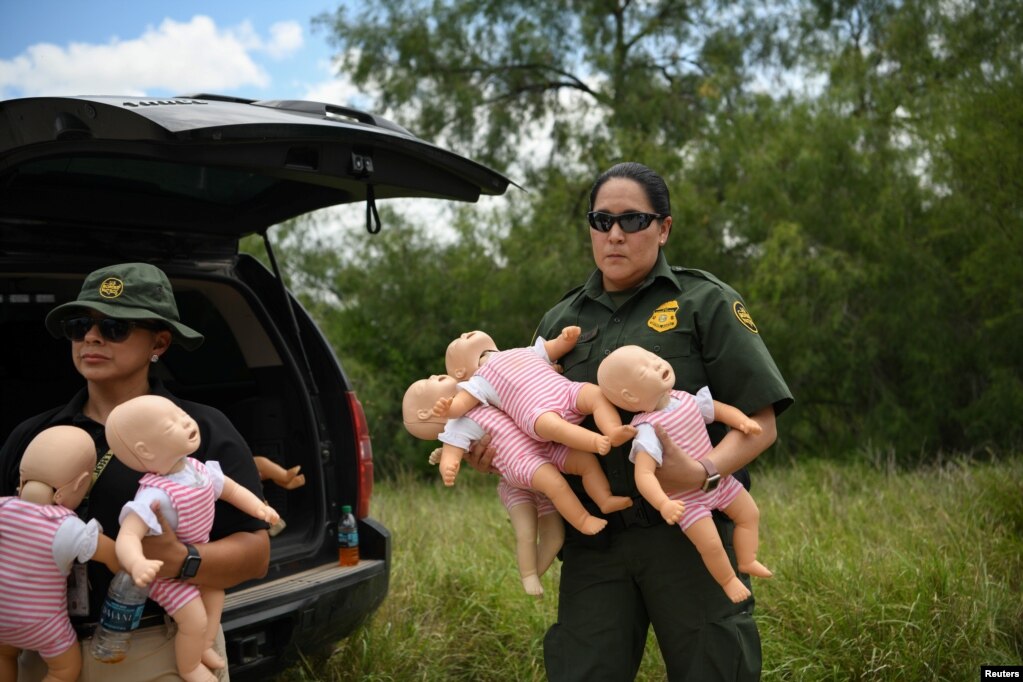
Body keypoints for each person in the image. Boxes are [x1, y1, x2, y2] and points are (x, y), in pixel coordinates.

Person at [480, 161, 793, 681]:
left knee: (717, 670)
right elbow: (524, 423)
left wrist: (703, 473)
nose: (615, 234)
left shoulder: (704, 302)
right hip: (596, 546)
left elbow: (762, 419)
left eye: (633, 221)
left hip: (691, 540)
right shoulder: (561, 322)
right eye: (601, 221)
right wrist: (489, 453)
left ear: (665, 227)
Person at [0, 262, 270, 682]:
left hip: (158, 648)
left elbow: (256, 555)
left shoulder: (199, 429)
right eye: (78, 324)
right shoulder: (33, 434)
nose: (91, 336)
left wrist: (182, 560)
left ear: (159, 342)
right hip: (44, 653)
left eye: (114, 327)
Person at [107, 395, 279, 682]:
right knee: (193, 619)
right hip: (164, 577)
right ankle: (189, 667)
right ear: (145, 452)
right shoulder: (154, 494)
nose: (186, 421)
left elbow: (232, 491)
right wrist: (137, 563)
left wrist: (260, 508)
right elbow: (127, 536)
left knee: (215, 597)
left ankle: (203, 648)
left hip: (197, 555)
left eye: (181, 414)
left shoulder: (197, 470)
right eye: (170, 425)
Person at [597, 345, 773, 604]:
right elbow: (643, 475)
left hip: (718, 481)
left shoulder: (685, 399)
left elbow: (719, 410)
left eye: (654, 357)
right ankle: (728, 580)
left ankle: (747, 559)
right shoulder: (647, 429)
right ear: (630, 396)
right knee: (710, 545)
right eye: (645, 368)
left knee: (750, 514)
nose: (656, 364)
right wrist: (664, 503)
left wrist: (741, 421)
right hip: (686, 500)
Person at [403, 374, 631, 536]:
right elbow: (452, 451)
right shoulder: (455, 425)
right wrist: (449, 467)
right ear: (424, 413)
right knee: (555, 484)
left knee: (585, 462)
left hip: (541, 444)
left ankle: (604, 499)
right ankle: (582, 520)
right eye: (426, 383)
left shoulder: (478, 394)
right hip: (520, 460)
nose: (433, 375)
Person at [0, 426, 118, 682]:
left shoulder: (2, 507)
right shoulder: (66, 527)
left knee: (4, 657)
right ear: (80, 484)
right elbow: (112, 555)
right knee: (64, 670)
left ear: (21, 478)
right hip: (43, 625)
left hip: (1, 617)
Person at [434, 327, 636, 454]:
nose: (464, 334)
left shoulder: (522, 351)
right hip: (537, 412)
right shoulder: (479, 380)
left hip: (565, 391)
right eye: (459, 341)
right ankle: (595, 441)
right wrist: (448, 409)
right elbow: (461, 406)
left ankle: (612, 430)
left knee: (595, 394)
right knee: (556, 427)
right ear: (460, 371)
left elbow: (552, 349)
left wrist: (566, 339)